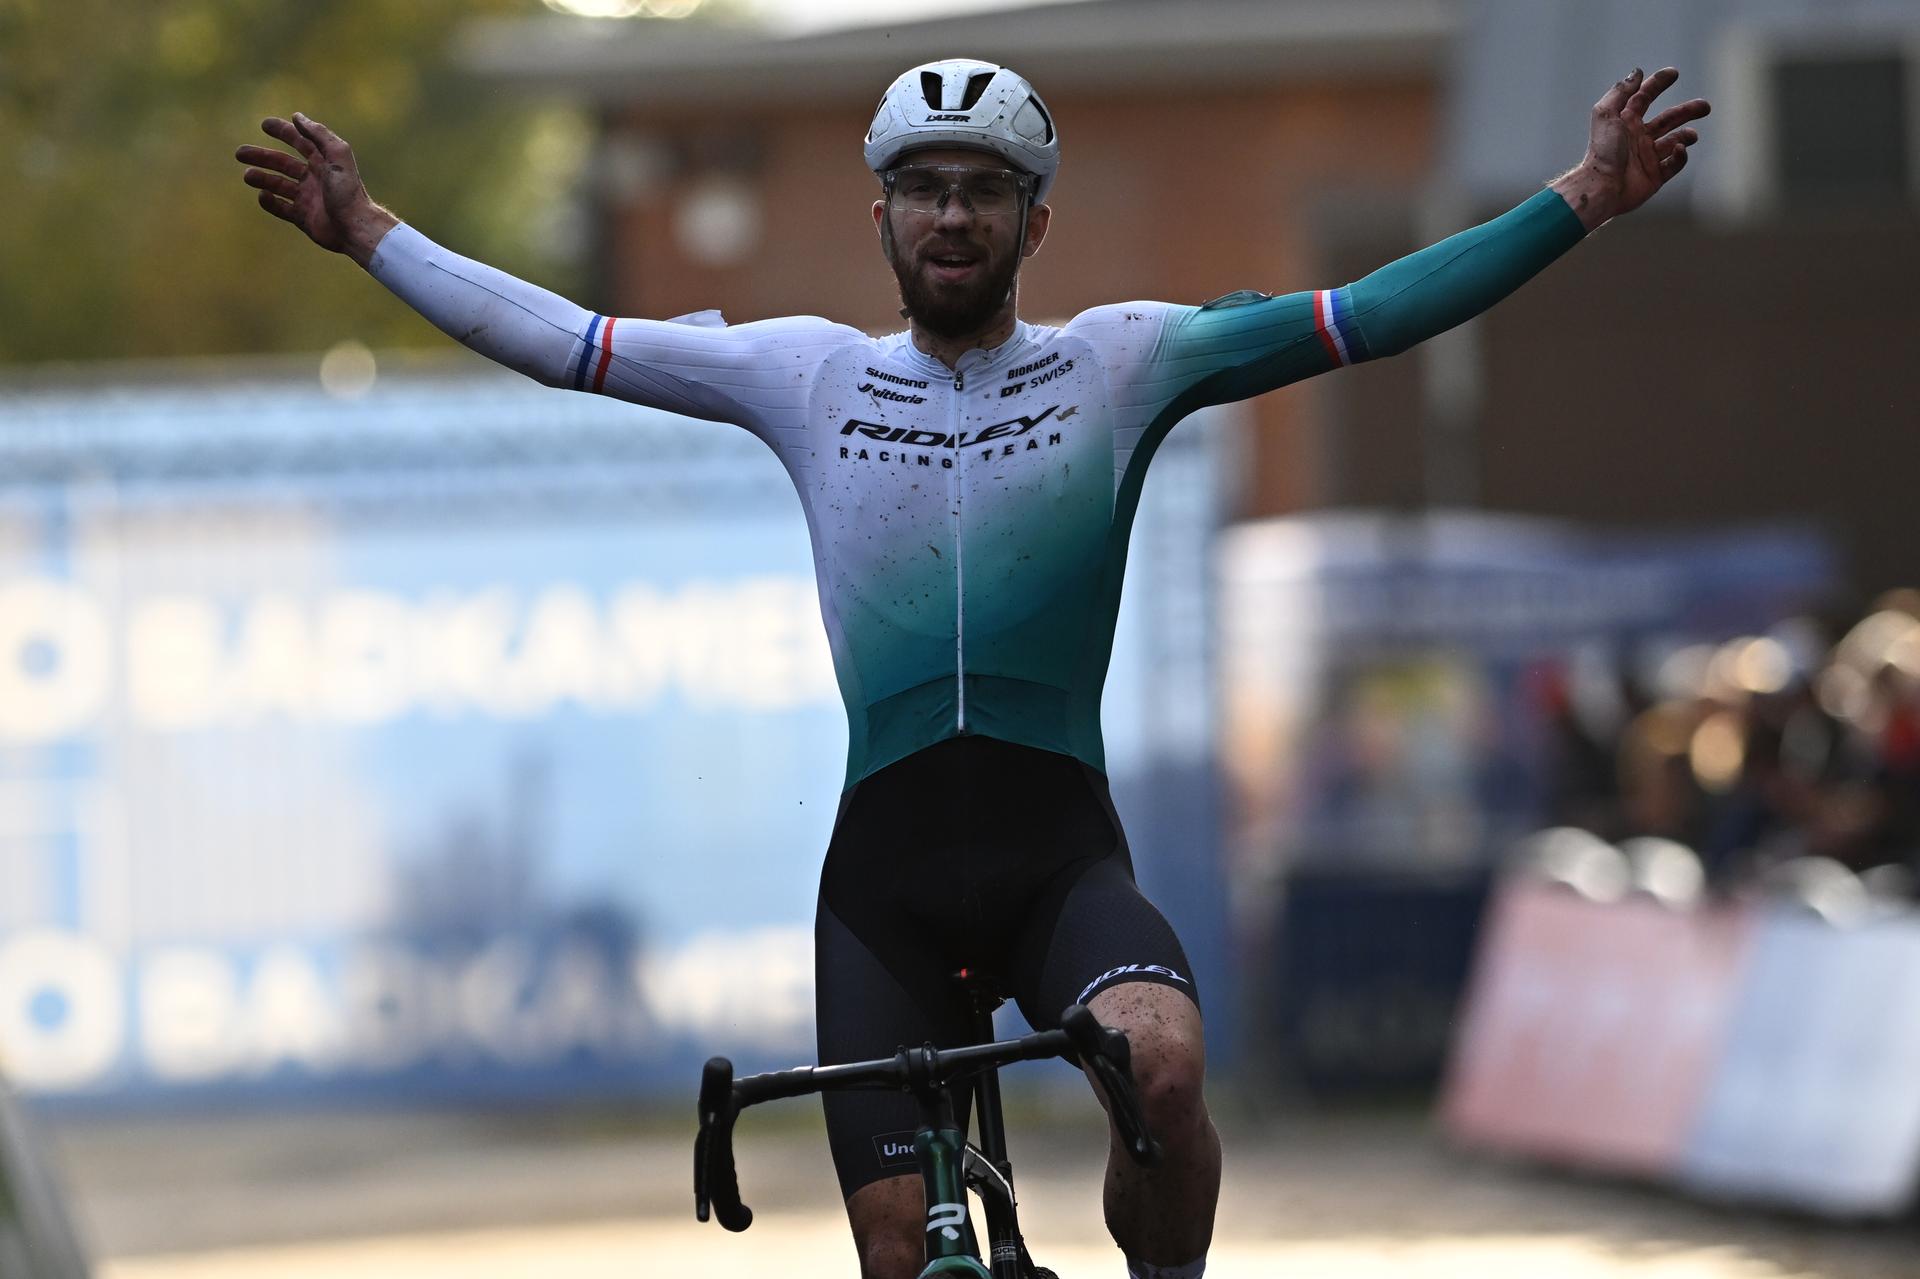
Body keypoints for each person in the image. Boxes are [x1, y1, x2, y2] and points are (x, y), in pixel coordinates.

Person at [237, 58, 1708, 1279]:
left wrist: (1579, 199)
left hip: (1056, 858)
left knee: (1163, 1067)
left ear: (1034, 222)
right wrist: (372, 233)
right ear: (881, 214)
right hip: (884, 889)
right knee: (899, 1255)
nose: (952, 214)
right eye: (925, 187)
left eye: (985, 190)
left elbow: (1364, 318)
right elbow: (569, 340)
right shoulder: (805, 374)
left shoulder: (1123, 362)